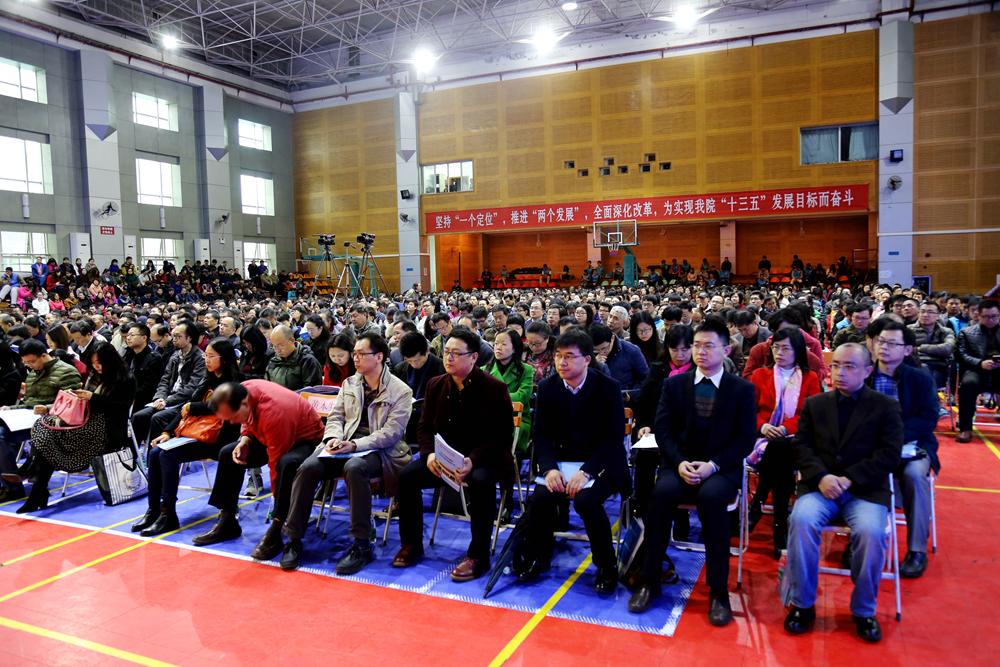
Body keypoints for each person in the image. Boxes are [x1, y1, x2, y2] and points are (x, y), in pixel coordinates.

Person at [628, 317, 756, 627]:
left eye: (708, 346)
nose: (700, 352)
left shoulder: (741, 389)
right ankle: (649, 579)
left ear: (726, 350)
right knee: (660, 496)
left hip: (720, 468)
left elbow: (745, 438)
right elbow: (663, 430)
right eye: (697, 345)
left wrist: (713, 465)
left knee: (713, 501)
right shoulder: (674, 385)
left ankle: (718, 591)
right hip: (680, 464)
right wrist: (679, 462)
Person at [781, 343, 903, 643]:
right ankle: (802, 604)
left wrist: (849, 479)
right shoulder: (816, 404)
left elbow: (889, 454)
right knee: (801, 521)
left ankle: (864, 610)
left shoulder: (885, 406)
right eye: (835, 365)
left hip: (864, 490)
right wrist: (822, 476)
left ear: (867, 371)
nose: (839, 372)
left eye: (849, 366)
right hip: (819, 487)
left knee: (872, 533)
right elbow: (801, 447)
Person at [279, 333, 413, 573]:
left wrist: (355, 445)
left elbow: (391, 433)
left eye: (361, 354)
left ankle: (361, 543)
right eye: (355, 354)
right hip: (343, 443)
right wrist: (332, 438)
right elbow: (335, 417)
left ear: (379, 357)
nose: (356, 359)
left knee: (355, 468)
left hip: (378, 450)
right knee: (308, 467)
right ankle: (294, 538)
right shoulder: (350, 383)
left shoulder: (400, 391)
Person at [391, 326, 513, 582]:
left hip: (482, 458)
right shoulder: (436, 385)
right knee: (408, 477)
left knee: (480, 481)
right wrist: (429, 455)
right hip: (444, 459)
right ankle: (411, 543)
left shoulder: (494, 388)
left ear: (474, 357)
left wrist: (473, 460)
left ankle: (478, 555)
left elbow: (501, 437)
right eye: (446, 352)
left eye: (456, 353)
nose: (448, 358)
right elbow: (424, 428)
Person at [511, 329, 628, 593]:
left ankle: (606, 564)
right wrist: (549, 469)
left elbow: (613, 439)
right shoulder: (548, 387)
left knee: (587, 501)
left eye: (569, 357)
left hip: (601, 464)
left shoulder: (608, 388)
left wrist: (587, 472)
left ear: (587, 359)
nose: (562, 362)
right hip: (562, 463)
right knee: (541, 498)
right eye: (558, 356)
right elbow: (541, 436)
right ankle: (538, 555)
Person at [190, 380, 324, 550]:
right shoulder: (242, 391)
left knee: (285, 464)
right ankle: (227, 520)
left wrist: (277, 503)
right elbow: (247, 420)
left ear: (244, 404)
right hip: (267, 432)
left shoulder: (273, 411)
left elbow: (275, 462)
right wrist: (245, 439)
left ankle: (278, 527)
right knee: (228, 454)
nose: (232, 422)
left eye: (233, 417)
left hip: (306, 439)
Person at [132, 338, 242, 536]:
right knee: (155, 452)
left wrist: (194, 407)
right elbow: (186, 409)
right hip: (196, 433)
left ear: (224, 359)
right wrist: (167, 432)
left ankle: (169, 514)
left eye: (211, 356)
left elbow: (218, 406)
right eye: (205, 355)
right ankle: (154, 509)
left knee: (167, 455)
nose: (206, 360)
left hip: (219, 439)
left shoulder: (234, 381)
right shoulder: (207, 379)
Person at [7, 342, 135, 513]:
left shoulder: (126, 379)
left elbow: (120, 408)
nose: (96, 366)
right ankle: (36, 488)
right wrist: (73, 398)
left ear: (110, 361)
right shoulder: (94, 376)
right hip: (85, 423)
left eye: (100, 363)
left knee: (49, 438)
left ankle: (33, 479)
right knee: (45, 427)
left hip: (105, 429)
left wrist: (92, 398)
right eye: (93, 363)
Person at [868, 321, 940, 578]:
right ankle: (858, 540)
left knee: (914, 476)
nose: (884, 347)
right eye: (880, 341)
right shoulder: (865, 375)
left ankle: (916, 550)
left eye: (891, 343)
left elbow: (928, 417)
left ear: (907, 350)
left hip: (912, 446)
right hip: (870, 447)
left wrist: (895, 439)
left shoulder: (920, 378)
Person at [747, 327, 822, 558]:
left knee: (782, 447)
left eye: (785, 348)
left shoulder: (810, 378)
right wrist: (763, 426)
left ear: (797, 350)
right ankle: (780, 524)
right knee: (780, 454)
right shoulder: (760, 375)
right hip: (762, 437)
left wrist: (784, 428)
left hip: (796, 438)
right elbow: (750, 410)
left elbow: (810, 415)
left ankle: (759, 500)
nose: (779, 353)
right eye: (776, 348)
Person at [130, 322, 206, 445]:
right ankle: (134, 454)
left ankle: (154, 452)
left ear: (189, 338)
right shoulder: (175, 355)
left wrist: (167, 401)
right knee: (139, 416)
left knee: (157, 418)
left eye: (178, 336)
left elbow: (192, 387)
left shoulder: (199, 358)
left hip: (184, 402)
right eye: (173, 336)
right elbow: (164, 380)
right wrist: (160, 397)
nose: (174, 339)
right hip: (168, 399)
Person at [955, 299, 1000, 442]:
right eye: (986, 317)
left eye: (994, 316)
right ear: (978, 316)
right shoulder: (966, 333)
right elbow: (961, 355)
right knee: (968, 384)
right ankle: (965, 429)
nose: (991, 320)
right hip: (976, 370)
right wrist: (980, 363)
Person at [484, 328, 534, 454]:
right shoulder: (484, 370)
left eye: (504, 344)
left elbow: (522, 397)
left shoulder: (526, 370)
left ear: (515, 348)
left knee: (498, 431)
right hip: (489, 417)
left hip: (517, 419)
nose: (498, 347)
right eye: (496, 343)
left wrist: (492, 397)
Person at [908, 301, 955, 389]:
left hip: (939, 367)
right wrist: (936, 353)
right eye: (922, 311)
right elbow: (906, 351)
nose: (925, 315)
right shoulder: (909, 330)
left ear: (938, 316)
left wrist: (920, 348)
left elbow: (947, 349)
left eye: (930, 312)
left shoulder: (946, 331)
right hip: (916, 366)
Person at [591, 323, 649, 393]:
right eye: (596, 350)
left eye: (604, 348)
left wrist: (630, 394)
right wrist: (594, 364)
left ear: (612, 338)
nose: (601, 352)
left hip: (625, 395)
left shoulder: (631, 350)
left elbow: (645, 379)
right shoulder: (587, 353)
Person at [265, 324, 322, 391]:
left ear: (292, 340)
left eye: (281, 345)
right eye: (274, 346)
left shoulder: (307, 361)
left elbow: (311, 391)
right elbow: (267, 386)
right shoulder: (274, 361)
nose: (277, 350)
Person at [122, 323, 165, 411]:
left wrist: (127, 394)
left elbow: (149, 387)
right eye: (128, 335)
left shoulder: (154, 358)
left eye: (132, 335)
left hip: (142, 400)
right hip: (126, 397)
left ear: (144, 338)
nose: (128, 338)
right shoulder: (128, 354)